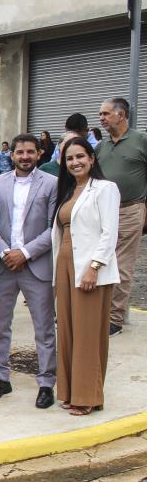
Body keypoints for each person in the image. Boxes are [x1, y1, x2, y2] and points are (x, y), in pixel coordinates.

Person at [0, 134, 58, 409]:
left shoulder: (51, 184)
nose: (24, 156)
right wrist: (5, 253)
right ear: (11, 155)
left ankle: (47, 382)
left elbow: (54, 228)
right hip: (4, 265)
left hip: (36, 265)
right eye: (20, 152)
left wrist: (24, 253)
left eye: (30, 152)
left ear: (39, 153)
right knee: (0, 326)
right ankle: (0, 378)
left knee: (44, 327)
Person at [52, 137, 120, 415]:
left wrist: (94, 266)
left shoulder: (105, 189)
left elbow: (109, 232)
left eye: (80, 156)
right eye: (69, 158)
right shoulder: (69, 191)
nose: (75, 162)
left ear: (92, 158)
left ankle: (88, 396)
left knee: (87, 334)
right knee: (67, 331)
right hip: (65, 264)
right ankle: (70, 391)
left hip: (89, 268)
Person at [96, 97, 147, 336]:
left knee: (122, 265)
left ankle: (114, 318)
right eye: (101, 115)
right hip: (102, 212)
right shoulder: (101, 147)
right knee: (99, 260)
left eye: (105, 114)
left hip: (130, 210)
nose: (102, 119)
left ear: (121, 114)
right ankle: (99, 311)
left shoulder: (141, 141)